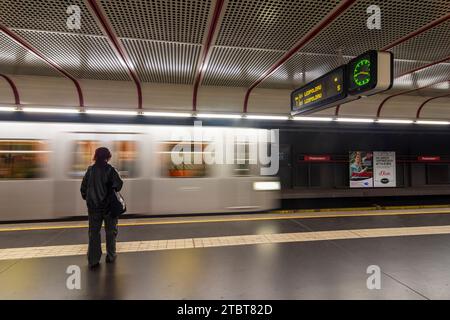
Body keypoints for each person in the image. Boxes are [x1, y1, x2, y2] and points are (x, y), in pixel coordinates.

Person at [80, 147, 123, 269]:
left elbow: (83, 188)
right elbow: (119, 185)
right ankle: (111, 255)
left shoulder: (90, 170)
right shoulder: (111, 170)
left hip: (93, 208)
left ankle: (93, 259)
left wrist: (89, 199)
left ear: (96, 156)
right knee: (111, 232)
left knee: (94, 233)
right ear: (108, 156)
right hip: (109, 207)